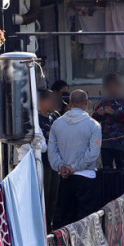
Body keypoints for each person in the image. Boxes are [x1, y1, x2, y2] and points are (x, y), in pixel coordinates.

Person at [48, 89, 102, 227]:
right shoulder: (94, 125)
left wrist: (61, 166)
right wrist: (74, 167)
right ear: (86, 103)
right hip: (86, 176)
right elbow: (92, 154)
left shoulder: (57, 124)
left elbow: (52, 152)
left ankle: (66, 242)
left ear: (70, 103)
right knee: (87, 220)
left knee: (66, 219)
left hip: (64, 177)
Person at [92, 73, 124, 170]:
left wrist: (115, 113)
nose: (112, 89)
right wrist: (98, 114)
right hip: (106, 143)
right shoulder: (103, 102)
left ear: (119, 86)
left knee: (121, 169)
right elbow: (93, 121)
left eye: (114, 86)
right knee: (107, 169)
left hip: (121, 143)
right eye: (109, 86)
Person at [37, 89, 61, 232]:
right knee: (44, 198)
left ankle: (50, 227)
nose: (54, 103)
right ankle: (43, 229)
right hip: (43, 164)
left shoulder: (54, 118)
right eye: (51, 100)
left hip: (55, 163)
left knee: (53, 198)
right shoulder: (36, 119)